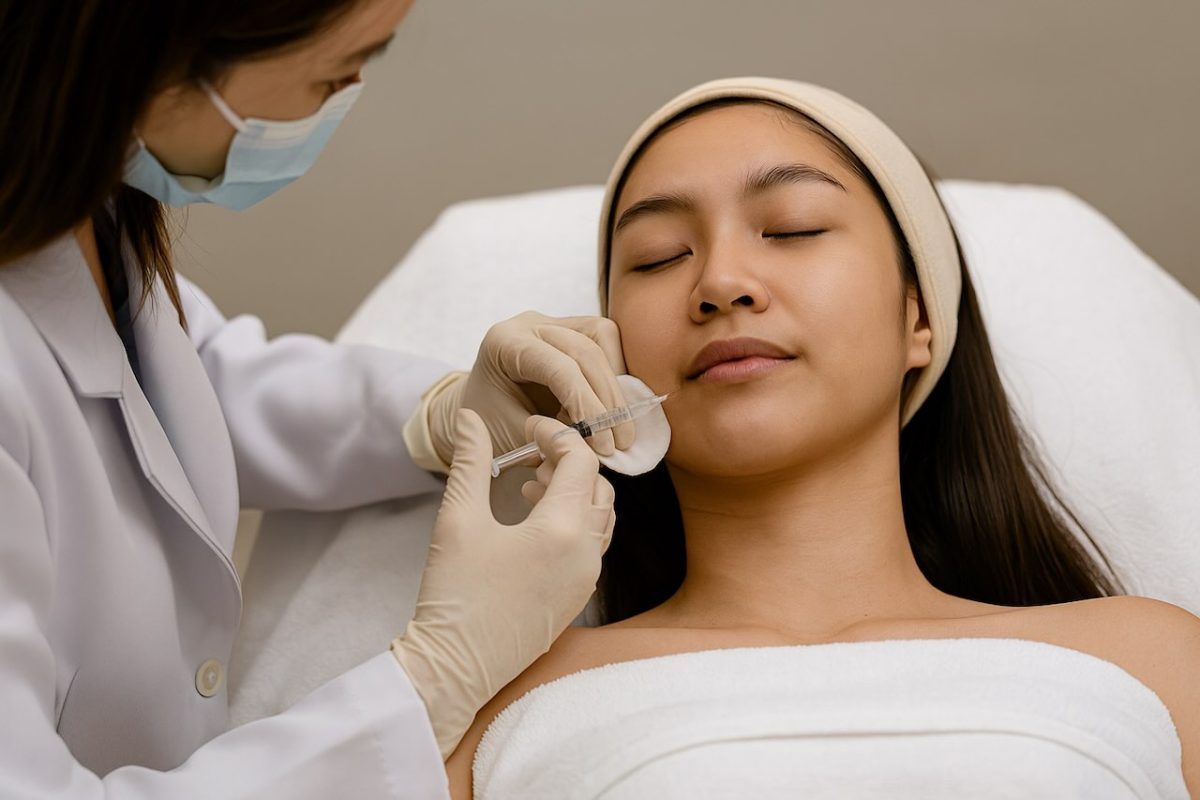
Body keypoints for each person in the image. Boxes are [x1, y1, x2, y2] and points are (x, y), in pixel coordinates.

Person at [445, 79, 1199, 797]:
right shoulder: (492, 694)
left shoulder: (1152, 660)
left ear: (920, 318)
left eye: (794, 228)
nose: (721, 283)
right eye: (660, 257)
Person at [0, 1, 637, 796]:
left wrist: (436, 413)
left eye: (791, 229)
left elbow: (178, 382)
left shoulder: (76, 212)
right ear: (150, 58)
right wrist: (432, 679)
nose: (725, 289)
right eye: (335, 72)